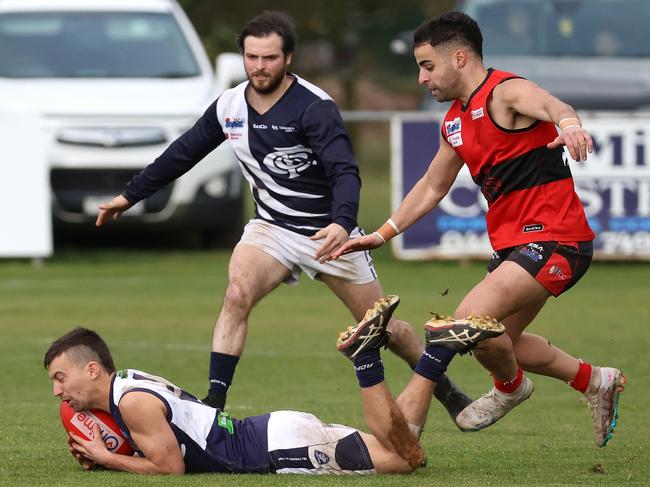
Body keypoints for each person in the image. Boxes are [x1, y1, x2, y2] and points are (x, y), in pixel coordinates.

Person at [94, 11, 470, 419]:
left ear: (288, 58)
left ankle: (447, 392)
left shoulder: (314, 107)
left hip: (326, 233)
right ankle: (213, 407)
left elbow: (345, 171)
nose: (259, 66)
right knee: (236, 294)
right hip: (269, 229)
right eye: (251, 57)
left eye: (269, 57)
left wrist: (342, 223)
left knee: (384, 329)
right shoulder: (230, 105)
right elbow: (183, 153)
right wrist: (129, 195)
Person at [330, 11, 625, 447]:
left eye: (428, 66)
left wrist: (569, 125)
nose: (421, 78)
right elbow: (433, 185)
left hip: (558, 239)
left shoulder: (505, 92)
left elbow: (550, 104)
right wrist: (383, 233)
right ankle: (595, 381)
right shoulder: (454, 121)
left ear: (461, 58)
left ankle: (418, 424)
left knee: (465, 319)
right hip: (513, 247)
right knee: (495, 344)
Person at [44, 301, 503, 474]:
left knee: (402, 459)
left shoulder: (134, 404)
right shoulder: (129, 383)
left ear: (91, 370)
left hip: (273, 451)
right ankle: (437, 351)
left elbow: (170, 470)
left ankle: (372, 359)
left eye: (60, 378)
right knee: (403, 447)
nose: (57, 392)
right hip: (275, 431)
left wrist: (108, 458)